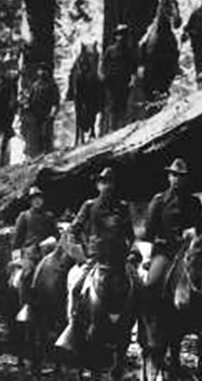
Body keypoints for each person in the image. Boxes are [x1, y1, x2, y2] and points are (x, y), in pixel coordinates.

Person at [56, 167, 135, 353]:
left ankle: (142, 331)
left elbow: (130, 235)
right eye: (103, 182)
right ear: (98, 185)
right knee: (76, 288)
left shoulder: (122, 207)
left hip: (119, 260)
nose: (106, 186)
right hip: (95, 259)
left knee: (139, 287)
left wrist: (131, 252)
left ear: (114, 185)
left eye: (110, 182)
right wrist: (80, 253)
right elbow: (73, 231)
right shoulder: (89, 206)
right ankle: (73, 329)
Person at [142, 159, 202, 319]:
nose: (177, 179)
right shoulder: (159, 201)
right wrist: (147, 257)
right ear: (169, 177)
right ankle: (151, 324)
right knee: (152, 284)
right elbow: (148, 233)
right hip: (165, 252)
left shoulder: (194, 202)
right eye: (174, 175)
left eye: (181, 176)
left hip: (189, 251)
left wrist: (195, 236)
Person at [11, 186, 59, 322]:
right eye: (34, 199)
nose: (37, 201)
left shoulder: (49, 216)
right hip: (30, 253)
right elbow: (17, 241)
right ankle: (26, 305)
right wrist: (17, 260)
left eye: (39, 198)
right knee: (27, 274)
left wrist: (51, 240)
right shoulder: (24, 216)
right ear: (30, 201)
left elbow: (57, 234)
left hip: (48, 252)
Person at [100, 25, 137, 133]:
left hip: (124, 81)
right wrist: (102, 75)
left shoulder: (130, 51)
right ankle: (112, 128)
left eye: (123, 35)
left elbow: (133, 66)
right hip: (111, 81)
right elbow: (104, 63)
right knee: (112, 104)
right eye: (119, 35)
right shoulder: (110, 50)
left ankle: (121, 128)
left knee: (123, 104)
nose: (121, 37)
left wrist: (132, 79)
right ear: (115, 37)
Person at [24, 64, 61, 156]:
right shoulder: (35, 85)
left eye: (44, 70)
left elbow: (55, 101)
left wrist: (52, 113)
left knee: (46, 136)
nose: (42, 72)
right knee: (34, 137)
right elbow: (30, 99)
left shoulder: (52, 85)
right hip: (35, 115)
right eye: (40, 70)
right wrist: (27, 105)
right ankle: (35, 155)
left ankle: (47, 154)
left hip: (46, 114)